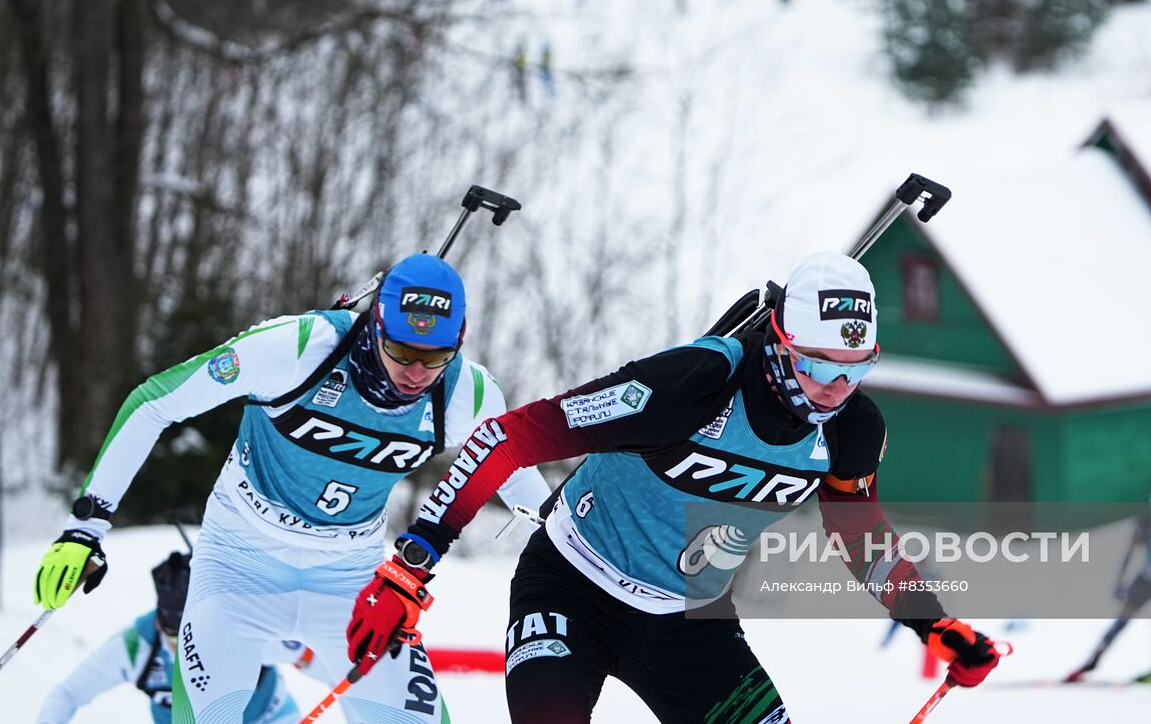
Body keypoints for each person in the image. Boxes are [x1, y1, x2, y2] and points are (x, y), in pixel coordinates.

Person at [344, 252, 1001, 723]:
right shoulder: (690, 386)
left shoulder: (852, 428)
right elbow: (506, 438)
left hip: (689, 622)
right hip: (573, 587)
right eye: (816, 365)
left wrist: (931, 620)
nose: (834, 388)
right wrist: (412, 564)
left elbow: (859, 535)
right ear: (778, 343)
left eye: (855, 369)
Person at [32, 254, 549, 723]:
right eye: (401, 350)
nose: (416, 373)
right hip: (238, 564)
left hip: (350, 581)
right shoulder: (297, 347)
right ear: (375, 327)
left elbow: (520, 482)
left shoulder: (468, 392)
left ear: (457, 344)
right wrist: (85, 528)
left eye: (434, 357)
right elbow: (155, 402)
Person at [36, 551, 309, 723]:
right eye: (175, 636)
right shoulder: (135, 646)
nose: (187, 648)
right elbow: (68, 694)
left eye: (201, 635)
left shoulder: (249, 628)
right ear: (159, 623)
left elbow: (314, 659)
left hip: (268, 716)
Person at [1067, 485, 1151, 683]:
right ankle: (1091, 662)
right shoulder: (1147, 525)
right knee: (1122, 621)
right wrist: (1120, 581)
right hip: (1148, 580)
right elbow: (1129, 554)